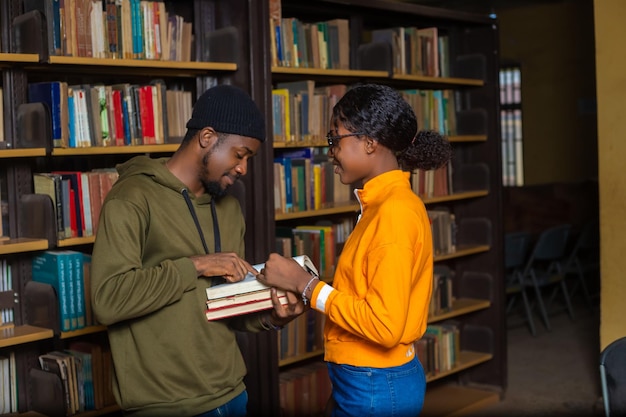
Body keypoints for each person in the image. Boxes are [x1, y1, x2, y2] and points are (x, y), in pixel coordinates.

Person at [90, 84, 304, 417]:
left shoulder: (230, 208)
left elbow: (225, 306)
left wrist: (271, 317)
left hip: (233, 393)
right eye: (240, 154)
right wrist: (197, 266)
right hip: (167, 405)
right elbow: (108, 300)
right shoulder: (132, 198)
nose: (243, 168)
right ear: (206, 137)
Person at [257, 83, 453, 417]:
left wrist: (305, 285)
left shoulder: (393, 213)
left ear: (370, 142)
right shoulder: (382, 205)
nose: (330, 151)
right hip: (368, 380)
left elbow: (385, 326)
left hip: (377, 382)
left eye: (335, 138)